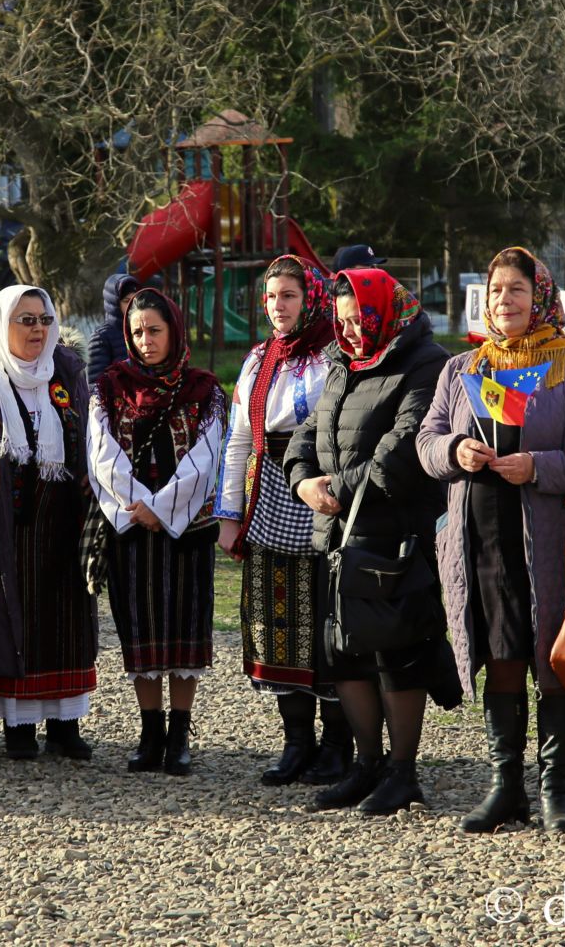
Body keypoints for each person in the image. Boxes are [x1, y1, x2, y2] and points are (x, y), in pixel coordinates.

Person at [417, 247, 565, 834]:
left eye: (516, 290)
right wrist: (454, 451)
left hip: (553, 542)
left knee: (555, 655)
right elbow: (427, 441)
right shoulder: (462, 370)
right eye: (495, 290)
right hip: (482, 542)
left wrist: (541, 466)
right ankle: (506, 785)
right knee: (500, 652)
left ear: (541, 298)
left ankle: (556, 786)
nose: (504, 301)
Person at [284, 269, 452, 814]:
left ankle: (403, 771)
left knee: (395, 653)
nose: (354, 331)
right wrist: (303, 480)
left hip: (392, 531)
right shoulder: (340, 362)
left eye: (362, 319)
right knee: (345, 655)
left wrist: (336, 486)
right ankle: (367, 764)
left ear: (386, 310)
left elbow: (403, 452)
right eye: (345, 320)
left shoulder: (425, 362)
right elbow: (307, 435)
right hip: (334, 533)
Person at [216, 255, 352, 787]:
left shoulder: (337, 354)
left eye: (289, 296)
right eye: (271, 297)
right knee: (278, 622)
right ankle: (297, 743)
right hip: (271, 491)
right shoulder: (257, 360)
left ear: (310, 297)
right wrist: (229, 516)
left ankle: (339, 745)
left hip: (324, 489)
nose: (278, 307)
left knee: (327, 617)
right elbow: (238, 442)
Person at [87, 288, 225, 776]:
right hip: (132, 527)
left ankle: (180, 733)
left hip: (185, 529)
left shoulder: (204, 388)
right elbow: (102, 454)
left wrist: (165, 509)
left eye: (155, 330)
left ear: (175, 331)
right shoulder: (109, 385)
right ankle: (150, 731)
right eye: (138, 332)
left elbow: (208, 456)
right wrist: (136, 506)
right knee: (141, 629)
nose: (146, 341)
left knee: (184, 629)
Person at [0, 285, 97, 760]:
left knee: (63, 617)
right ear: (2, 323)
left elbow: (86, 432)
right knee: (9, 614)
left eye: (44, 319)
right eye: (25, 320)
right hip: (7, 516)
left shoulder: (66, 369)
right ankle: (17, 727)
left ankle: (66, 725)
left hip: (63, 513)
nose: (37, 329)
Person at [87, 273, 140, 386]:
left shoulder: (142, 331)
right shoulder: (101, 337)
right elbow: (95, 385)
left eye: (136, 300)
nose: (133, 305)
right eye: (127, 301)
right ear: (114, 303)